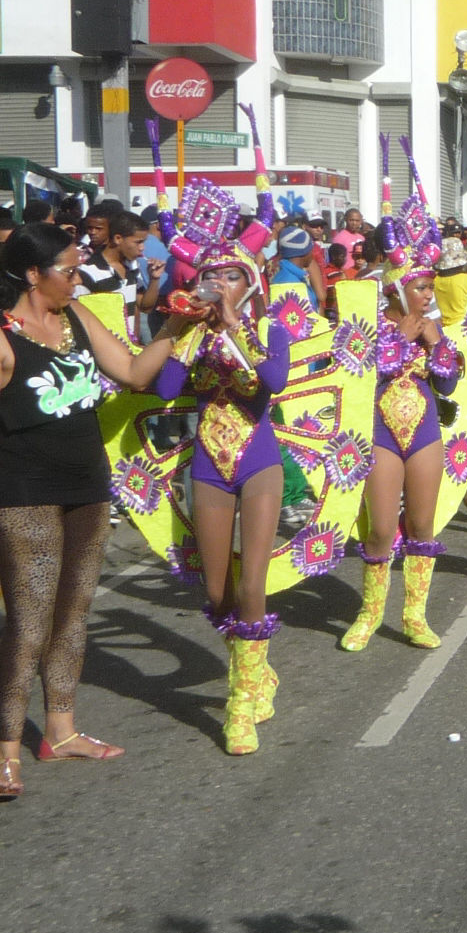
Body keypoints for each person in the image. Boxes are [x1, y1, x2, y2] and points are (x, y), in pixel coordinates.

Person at [0, 224, 188, 797]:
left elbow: (132, 372)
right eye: (68, 269)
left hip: (87, 489)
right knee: (30, 623)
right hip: (19, 494)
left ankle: (60, 731)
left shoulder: (78, 319)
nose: (77, 278)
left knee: (72, 614)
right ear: (34, 274)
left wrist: (178, 327)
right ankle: (5, 755)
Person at [151, 225, 294, 756]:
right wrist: (186, 336)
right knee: (217, 593)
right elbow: (165, 389)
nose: (220, 284)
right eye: (211, 275)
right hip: (209, 465)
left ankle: (240, 705)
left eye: (232, 276)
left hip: (259, 462)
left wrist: (235, 329)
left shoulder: (271, 327)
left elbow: (274, 380)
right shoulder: (192, 334)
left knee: (252, 583)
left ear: (250, 284)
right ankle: (258, 671)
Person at [340, 206, 461, 653]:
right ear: (396, 289)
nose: (429, 295)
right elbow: (361, 373)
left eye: (431, 287)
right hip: (381, 434)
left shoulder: (434, 328)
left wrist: (434, 343)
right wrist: (401, 339)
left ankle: (414, 616)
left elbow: (448, 382)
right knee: (380, 529)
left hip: (425, 431)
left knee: (423, 525)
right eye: (421, 287)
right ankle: (370, 614)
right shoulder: (371, 326)